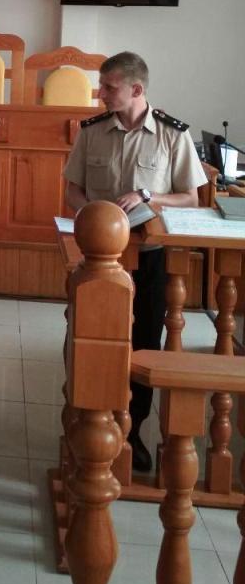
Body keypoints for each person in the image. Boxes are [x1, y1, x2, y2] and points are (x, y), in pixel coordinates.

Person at [63, 51, 207, 472]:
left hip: (149, 258)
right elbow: (72, 190)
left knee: (143, 342)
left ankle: (132, 429)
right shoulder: (92, 131)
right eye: (102, 85)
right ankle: (89, 420)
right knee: (88, 336)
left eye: (109, 87)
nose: (101, 94)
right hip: (97, 260)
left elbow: (190, 197)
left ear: (137, 89)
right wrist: (95, 216)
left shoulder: (171, 134)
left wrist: (149, 195)